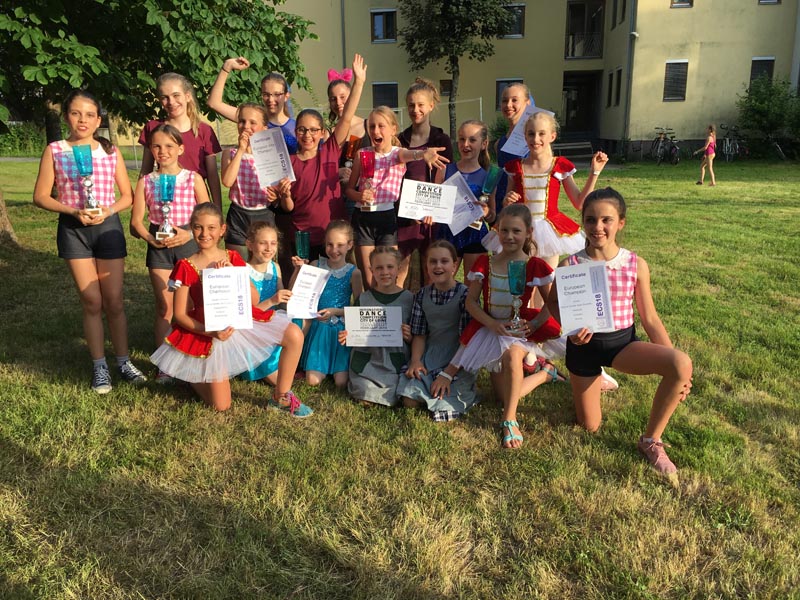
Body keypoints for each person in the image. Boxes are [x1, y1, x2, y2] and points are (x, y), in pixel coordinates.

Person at [547, 188, 692, 473]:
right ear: (583, 222)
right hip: (583, 351)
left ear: (621, 223)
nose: (597, 227)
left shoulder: (634, 264)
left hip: (622, 346)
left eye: (606, 220)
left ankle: (651, 440)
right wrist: (571, 328)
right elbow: (553, 302)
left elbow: (650, 318)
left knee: (681, 363)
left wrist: (678, 370)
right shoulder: (570, 265)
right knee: (589, 426)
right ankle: (592, 378)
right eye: (590, 220)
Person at [33, 89, 146, 393]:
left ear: (98, 120)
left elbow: (127, 196)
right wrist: (73, 211)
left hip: (107, 228)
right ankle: (99, 366)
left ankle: (123, 361)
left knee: (114, 301)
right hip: (74, 229)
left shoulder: (110, 151)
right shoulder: (55, 150)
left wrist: (107, 210)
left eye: (89, 115)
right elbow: (40, 196)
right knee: (92, 301)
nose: (82, 120)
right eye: (75, 113)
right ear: (66, 116)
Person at [150, 204, 312, 415]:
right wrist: (211, 332)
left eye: (211, 228)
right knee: (221, 406)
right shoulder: (186, 265)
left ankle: (281, 396)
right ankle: (191, 376)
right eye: (198, 227)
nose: (205, 233)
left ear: (222, 230)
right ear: (191, 228)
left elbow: (253, 299)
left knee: (294, 334)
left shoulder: (233, 257)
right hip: (209, 328)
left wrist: (235, 275)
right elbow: (180, 314)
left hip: (239, 318)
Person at [457, 205, 564, 449]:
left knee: (513, 357)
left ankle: (509, 420)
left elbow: (552, 302)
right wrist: (492, 324)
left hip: (520, 331)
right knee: (503, 396)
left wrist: (534, 324)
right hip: (493, 327)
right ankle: (544, 374)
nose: (509, 236)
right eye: (504, 230)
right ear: (497, 231)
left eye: (516, 231)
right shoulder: (485, 263)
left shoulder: (534, 265)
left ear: (528, 233)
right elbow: (471, 302)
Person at [271, 53, 367, 279]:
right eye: (302, 130)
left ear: (322, 133)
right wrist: (285, 195)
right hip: (303, 238)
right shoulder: (289, 162)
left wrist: (359, 82)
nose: (308, 135)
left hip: (332, 237)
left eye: (314, 130)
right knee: (306, 286)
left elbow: (346, 117)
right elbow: (288, 207)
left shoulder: (330, 151)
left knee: (337, 285)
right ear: (296, 132)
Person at [130, 124, 210, 376]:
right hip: (159, 247)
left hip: (188, 245)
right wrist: (150, 238)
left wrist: (190, 233)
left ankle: (192, 356)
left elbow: (208, 216)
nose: (162, 151)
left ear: (180, 149)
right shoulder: (146, 182)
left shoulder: (193, 178)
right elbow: (136, 222)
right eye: (156, 146)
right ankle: (164, 365)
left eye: (169, 146)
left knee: (190, 305)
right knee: (165, 307)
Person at [345, 106, 449, 289]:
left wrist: (423, 154)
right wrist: (360, 195)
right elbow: (349, 190)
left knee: (387, 277)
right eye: (372, 126)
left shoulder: (397, 154)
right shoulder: (362, 154)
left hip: (386, 220)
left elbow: (410, 154)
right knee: (369, 280)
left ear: (393, 129)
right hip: (362, 220)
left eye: (381, 126)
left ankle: (390, 306)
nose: (376, 131)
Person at [502, 110, 609, 270]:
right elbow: (507, 207)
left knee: (547, 277)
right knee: (521, 278)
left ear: (552, 136)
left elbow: (579, 203)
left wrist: (594, 172)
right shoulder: (515, 167)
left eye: (541, 134)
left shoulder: (559, 166)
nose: (535, 139)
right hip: (520, 230)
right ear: (525, 136)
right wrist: (507, 201)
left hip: (548, 232)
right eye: (531, 134)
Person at [397, 241, 479, 421]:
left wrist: (447, 374)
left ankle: (462, 391)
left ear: (454, 266)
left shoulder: (466, 296)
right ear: (426, 266)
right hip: (430, 355)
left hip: (458, 359)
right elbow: (420, 334)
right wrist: (416, 360)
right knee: (409, 400)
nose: (438, 266)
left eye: (444, 261)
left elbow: (468, 342)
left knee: (443, 408)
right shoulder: (421, 295)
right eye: (433, 262)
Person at [339, 247, 413, 406]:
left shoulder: (409, 299)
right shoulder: (364, 299)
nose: (384, 272)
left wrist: (409, 336)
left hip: (395, 360)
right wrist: (347, 335)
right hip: (368, 359)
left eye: (390, 267)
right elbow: (353, 330)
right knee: (363, 388)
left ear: (399, 268)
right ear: (371, 270)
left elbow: (418, 335)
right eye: (379, 268)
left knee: (397, 387)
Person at [397, 78, 453, 288]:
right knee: (400, 271)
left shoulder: (441, 140)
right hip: (405, 215)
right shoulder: (400, 140)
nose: (416, 110)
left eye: (421, 105)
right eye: (411, 105)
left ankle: (429, 307)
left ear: (431, 105)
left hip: (431, 218)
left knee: (431, 271)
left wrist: (433, 210)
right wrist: (409, 210)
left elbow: (446, 178)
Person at [292, 220, 363, 388]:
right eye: (330, 244)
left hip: (339, 329)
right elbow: (296, 292)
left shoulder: (354, 272)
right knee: (313, 381)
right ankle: (312, 363)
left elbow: (358, 309)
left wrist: (336, 312)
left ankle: (335, 366)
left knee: (341, 382)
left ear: (349, 245)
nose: (334, 249)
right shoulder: (316, 265)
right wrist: (299, 270)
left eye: (340, 245)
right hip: (318, 326)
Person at [137, 72, 222, 208]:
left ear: (187, 96)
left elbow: (212, 175)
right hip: (164, 199)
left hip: (197, 200)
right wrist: (139, 205)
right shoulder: (153, 128)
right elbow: (145, 171)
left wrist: (217, 209)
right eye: (165, 97)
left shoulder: (204, 130)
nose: (171, 102)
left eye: (176, 95)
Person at [436, 120, 495, 276]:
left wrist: (487, 212)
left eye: (472, 140)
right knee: (441, 282)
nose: (465, 144)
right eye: (462, 139)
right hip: (447, 233)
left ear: (484, 144)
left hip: (475, 236)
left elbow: (492, 216)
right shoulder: (444, 170)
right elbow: (435, 205)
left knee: (473, 286)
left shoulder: (489, 176)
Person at [220, 103, 278, 259]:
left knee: (262, 264)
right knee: (238, 265)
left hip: (263, 214)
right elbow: (227, 181)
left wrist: (276, 196)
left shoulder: (271, 155)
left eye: (253, 123)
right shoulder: (230, 153)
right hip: (238, 215)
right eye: (242, 121)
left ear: (264, 128)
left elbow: (278, 189)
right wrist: (241, 149)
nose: (246, 127)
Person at [239, 220, 291, 386]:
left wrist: (298, 273)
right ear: (250, 245)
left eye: (273, 243)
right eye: (263, 243)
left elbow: (282, 301)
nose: (269, 248)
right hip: (253, 324)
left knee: (301, 322)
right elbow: (246, 313)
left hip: (274, 318)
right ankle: (265, 367)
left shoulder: (275, 267)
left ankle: (287, 361)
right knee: (277, 380)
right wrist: (272, 300)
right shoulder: (243, 271)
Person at [208, 60, 297, 154]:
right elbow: (214, 103)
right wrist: (226, 67)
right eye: (266, 94)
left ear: (286, 96)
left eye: (277, 94)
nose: (271, 99)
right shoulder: (250, 117)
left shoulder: (297, 126)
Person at [493, 82, 532, 218]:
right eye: (505, 101)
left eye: (514, 100)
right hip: (501, 203)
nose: (508, 105)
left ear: (527, 103)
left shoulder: (533, 141)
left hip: (524, 204)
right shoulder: (499, 143)